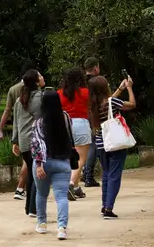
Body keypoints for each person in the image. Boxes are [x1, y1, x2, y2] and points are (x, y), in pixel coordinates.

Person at [88, 75, 136, 219]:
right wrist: (129, 88)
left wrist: (119, 89)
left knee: (106, 174)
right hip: (115, 143)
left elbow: (108, 102)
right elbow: (131, 104)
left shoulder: (92, 105)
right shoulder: (111, 102)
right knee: (114, 175)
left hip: (101, 144)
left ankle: (104, 204)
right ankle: (109, 208)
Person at [30, 89, 74, 240]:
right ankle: (61, 228)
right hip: (63, 162)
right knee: (61, 197)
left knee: (41, 194)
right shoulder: (66, 117)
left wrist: (39, 164)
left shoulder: (38, 122)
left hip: (44, 163)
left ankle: (42, 223)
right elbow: (70, 136)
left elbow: (37, 143)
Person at [0, 63, 37, 201]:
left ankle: (24, 188)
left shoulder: (13, 89)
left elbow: (7, 110)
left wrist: (0, 128)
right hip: (31, 129)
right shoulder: (35, 90)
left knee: (26, 160)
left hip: (19, 127)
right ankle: (21, 188)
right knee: (28, 161)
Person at [11, 69, 45, 218]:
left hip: (23, 141)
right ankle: (33, 208)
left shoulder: (19, 100)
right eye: (40, 76)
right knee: (37, 174)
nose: (42, 77)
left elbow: (16, 122)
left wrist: (15, 141)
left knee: (32, 174)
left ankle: (29, 207)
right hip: (36, 140)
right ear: (36, 81)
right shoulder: (40, 97)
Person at [57, 67, 91, 200]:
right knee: (80, 159)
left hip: (65, 125)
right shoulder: (85, 92)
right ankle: (70, 184)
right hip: (81, 124)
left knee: (69, 158)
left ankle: (76, 187)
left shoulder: (59, 93)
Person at [81, 57, 102, 188]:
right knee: (93, 144)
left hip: (81, 115)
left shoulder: (81, 81)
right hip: (92, 115)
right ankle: (88, 175)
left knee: (85, 146)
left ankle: (84, 173)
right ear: (95, 68)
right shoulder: (96, 82)